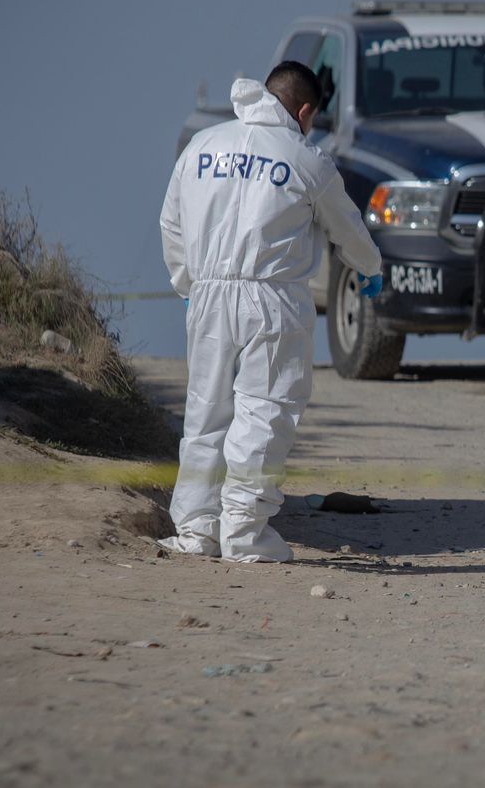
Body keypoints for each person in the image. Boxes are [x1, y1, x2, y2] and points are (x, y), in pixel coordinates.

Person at [159, 62, 384, 563]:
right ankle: (244, 532)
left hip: (209, 295)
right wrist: (370, 268)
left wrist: (187, 284)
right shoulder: (307, 159)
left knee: (205, 413)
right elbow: (347, 228)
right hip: (274, 298)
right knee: (265, 410)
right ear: (304, 111)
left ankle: (196, 531)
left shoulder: (203, 146)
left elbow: (171, 222)